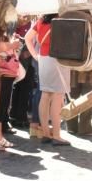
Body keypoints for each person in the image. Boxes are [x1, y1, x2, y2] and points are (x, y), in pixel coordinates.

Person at [25, 14, 70, 146]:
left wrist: (36, 56)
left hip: (43, 59)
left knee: (45, 95)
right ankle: (56, 135)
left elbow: (28, 38)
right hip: (58, 59)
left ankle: (45, 133)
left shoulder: (41, 20)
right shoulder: (62, 20)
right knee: (57, 96)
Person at [0, 34, 20, 151]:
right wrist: (12, 45)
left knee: (2, 108)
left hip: (7, 73)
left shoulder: (6, 30)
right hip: (0, 72)